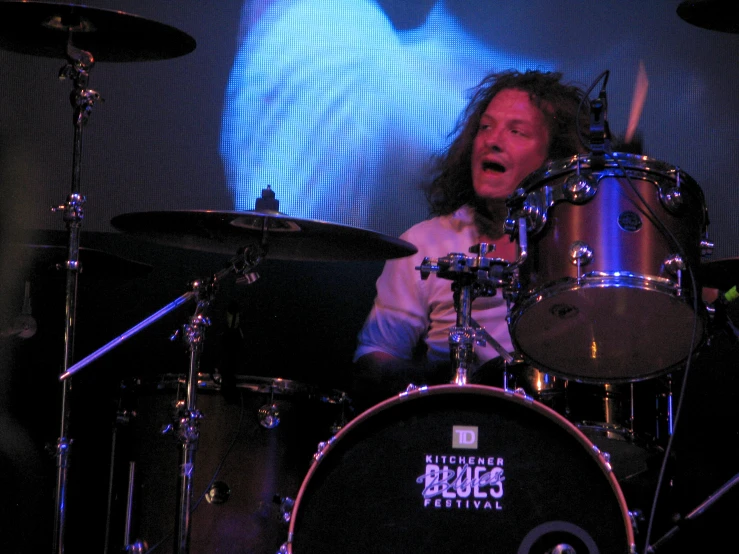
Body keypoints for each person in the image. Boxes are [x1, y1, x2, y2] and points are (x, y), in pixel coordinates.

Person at [351, 69, 589, 410]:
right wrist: (448, 380)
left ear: (554, 159)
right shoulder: (425, 243)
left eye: (516, 131)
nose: (492, 140)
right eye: (485, 127)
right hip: (448, 425)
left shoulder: (581, 247)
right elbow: (376, 359)